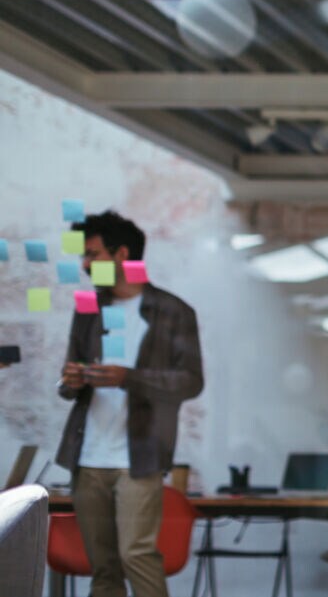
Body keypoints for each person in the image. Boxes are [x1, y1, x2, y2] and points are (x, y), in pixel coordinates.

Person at [54, 210, 203, 597]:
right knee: (102, 568)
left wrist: (129, 377)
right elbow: (69, 380)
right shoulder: (88, 307)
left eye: (93, 254)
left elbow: (191, 381)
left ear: (122, 254)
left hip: (139, 456)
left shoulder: (173, 312)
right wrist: (70, 381)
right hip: (88, 457)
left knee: (137, 554)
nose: (85, 265)